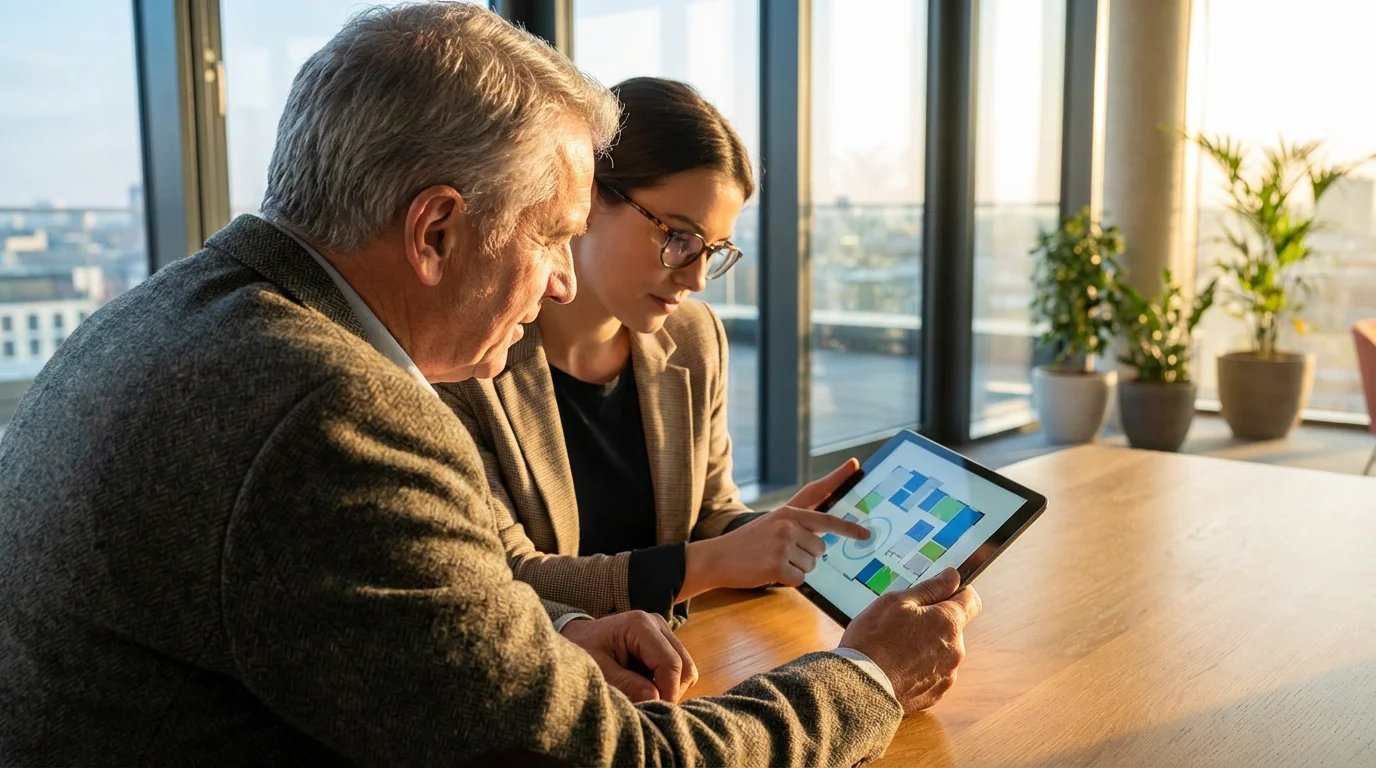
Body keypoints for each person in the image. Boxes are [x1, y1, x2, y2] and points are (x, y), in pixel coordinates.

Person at [0, 4, 981, 766]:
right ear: (435, 231)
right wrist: (866, 677)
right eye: (552, 235)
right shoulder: (336, 418)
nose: (561, 280)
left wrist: (554, 635)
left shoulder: (159, 317)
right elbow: (618, 759)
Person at [439, 77, 869, 624]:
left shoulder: (693, 337)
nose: (696, 279)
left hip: (676, 657)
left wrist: (771, 535)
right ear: (587, 196)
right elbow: (504, 577)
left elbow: (710, 510)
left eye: (714, 250)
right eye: (679, 238)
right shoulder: (466, 354)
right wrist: (711, 562)